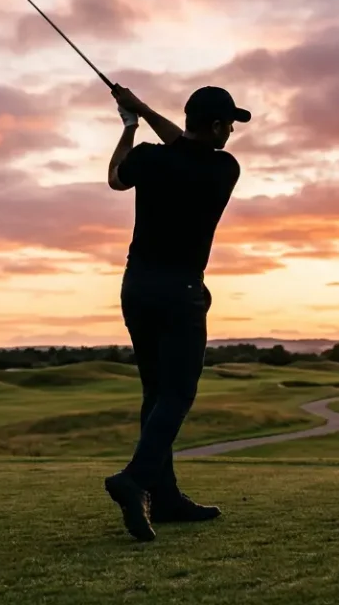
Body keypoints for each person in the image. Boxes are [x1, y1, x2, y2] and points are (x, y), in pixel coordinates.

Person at [101, 83, 250, 542]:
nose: (231, 132)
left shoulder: (149, 158)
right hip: (180, 291)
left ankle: (163, 497)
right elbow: (185, 147)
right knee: (179, 392)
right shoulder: (224, 168)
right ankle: (135, 479)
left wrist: (131, 123)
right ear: (216, 126)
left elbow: (115, 177)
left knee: (155, 393)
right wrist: (142, 109)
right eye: (229, 124)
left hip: (136, 287)